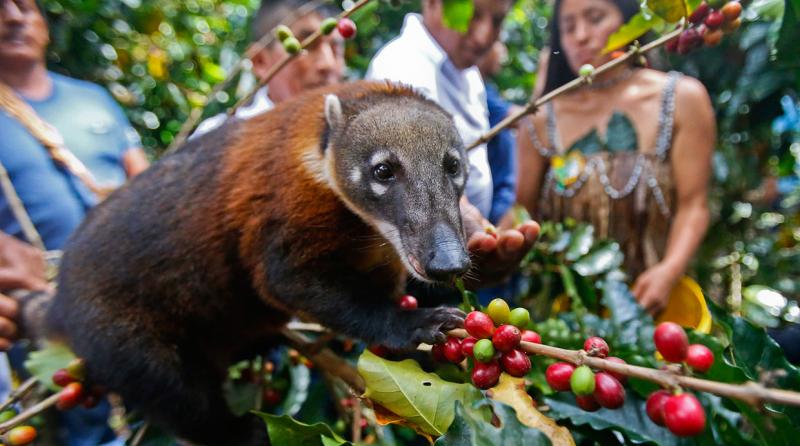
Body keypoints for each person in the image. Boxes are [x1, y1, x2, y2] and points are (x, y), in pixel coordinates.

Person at [0, 0, 148, 443]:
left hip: (128, 293)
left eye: (26, 6)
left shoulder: (95, 100)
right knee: (85, 423)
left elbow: (148, 187)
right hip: (39, 309)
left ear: (44, 24)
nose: (13, 17)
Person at [516, 0, 716, 314]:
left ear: (628, 21)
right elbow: (520, 212)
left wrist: (668, 271)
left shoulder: (681, 98)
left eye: (595, 18)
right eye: (568, 28)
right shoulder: (540, 119)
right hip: (568, 316)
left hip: (657, 307)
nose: (580, 36)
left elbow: (694, 205)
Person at [366, 0, 539, 289]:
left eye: (497, 21)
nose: (484, 35)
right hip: (421, 270)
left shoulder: (466, 72)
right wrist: (467, 225)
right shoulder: (403, 66)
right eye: (471, 16)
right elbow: (419, 175)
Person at [193, 0, 345, 137]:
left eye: (336, 49)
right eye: (308, 45)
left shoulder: (352, 135)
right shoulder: (217, 137)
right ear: (260, 61)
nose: (328, 63)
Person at [476, 40, 517, 226]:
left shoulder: (486, 88)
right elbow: (522, 121)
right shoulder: (480, 91)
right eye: (499, 44)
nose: (503, 51)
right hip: (498, 203)